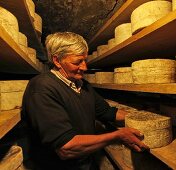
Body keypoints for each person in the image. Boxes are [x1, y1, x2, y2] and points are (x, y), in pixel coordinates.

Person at [21, 32, 148, 170]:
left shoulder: (82, 85)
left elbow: (108, 112)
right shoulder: (41, 89)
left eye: (84, 60)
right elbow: (66, 148)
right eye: (77, 62)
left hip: (85, 162)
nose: (84, 67)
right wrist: (118, 136)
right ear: (57, 60)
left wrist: (143, 118)